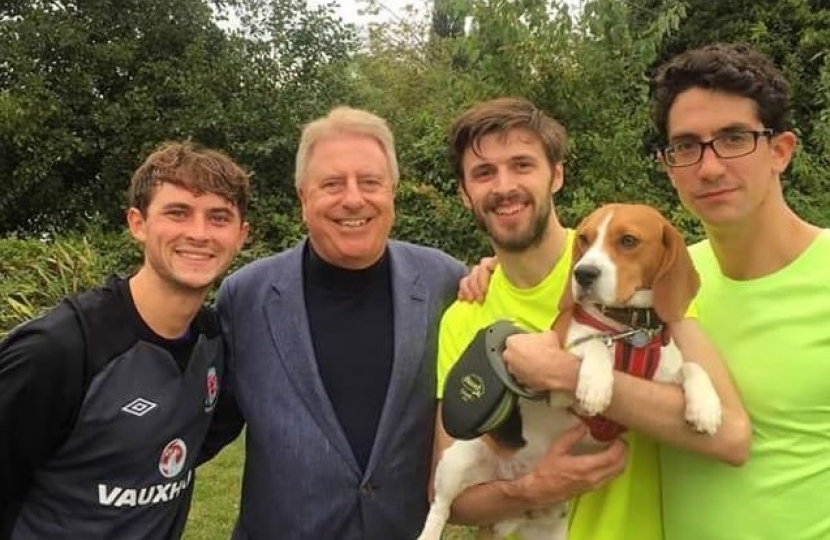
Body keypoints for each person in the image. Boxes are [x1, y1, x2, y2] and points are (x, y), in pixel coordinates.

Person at [430, 97, 750, 540]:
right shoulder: (465, 314)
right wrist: (531, 489)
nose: (504, 186)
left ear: (556, 174)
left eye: (522, 164)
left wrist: (569, 374)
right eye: (484, 173)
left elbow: (731, 437)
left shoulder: (643, 278)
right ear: (466, 194)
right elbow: (454, 501)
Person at [202, 106, 467, 540]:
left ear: (392, 191)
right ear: (303, 197)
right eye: (331, 184)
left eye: (370, 182)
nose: (353, 199)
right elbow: (204, 422)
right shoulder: (245, 295)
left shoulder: (448, 282)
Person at [0, 140, 251, 539]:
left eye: (218, 217)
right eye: (178, 212)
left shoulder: (215, 341)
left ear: (241, 235)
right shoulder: (58, 350)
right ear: (138, 223)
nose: (199, 233)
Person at [650, 43, 830, 540]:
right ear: (669, 166)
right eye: (686, 146)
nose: (708, 168)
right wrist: (480, 274)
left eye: (733, 138)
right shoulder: (665, 279)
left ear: (781, 151)